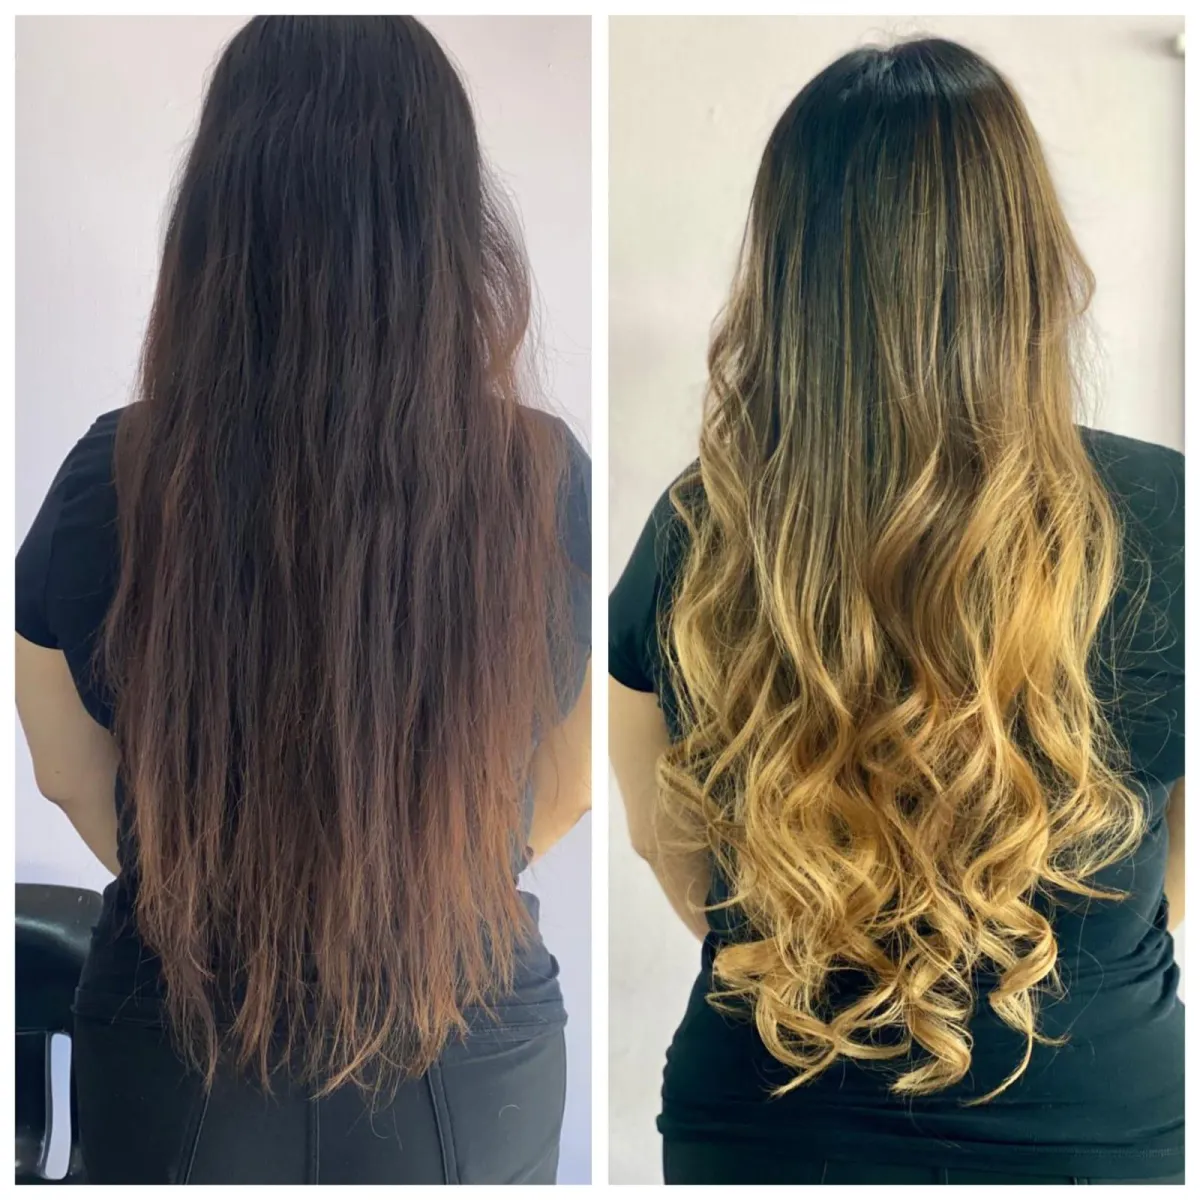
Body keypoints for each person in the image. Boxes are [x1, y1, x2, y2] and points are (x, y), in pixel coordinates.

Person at [16, 16, 591, 1184]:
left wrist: (218, 865)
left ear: (220, 222)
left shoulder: (112, 473)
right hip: (463, 1055)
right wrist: (421, 868)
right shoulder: (546, 476)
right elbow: (569, 784)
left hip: (182, 1049)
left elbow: (67, 769)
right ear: (449, 223)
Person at [609, 37, 1183, 1186]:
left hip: (767, 1118)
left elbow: (663, 837)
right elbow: (1176, 869)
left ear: (790, 272)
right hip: (1087, 1126)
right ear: (1026, 261)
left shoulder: (702, 528)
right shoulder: (1171, 513)